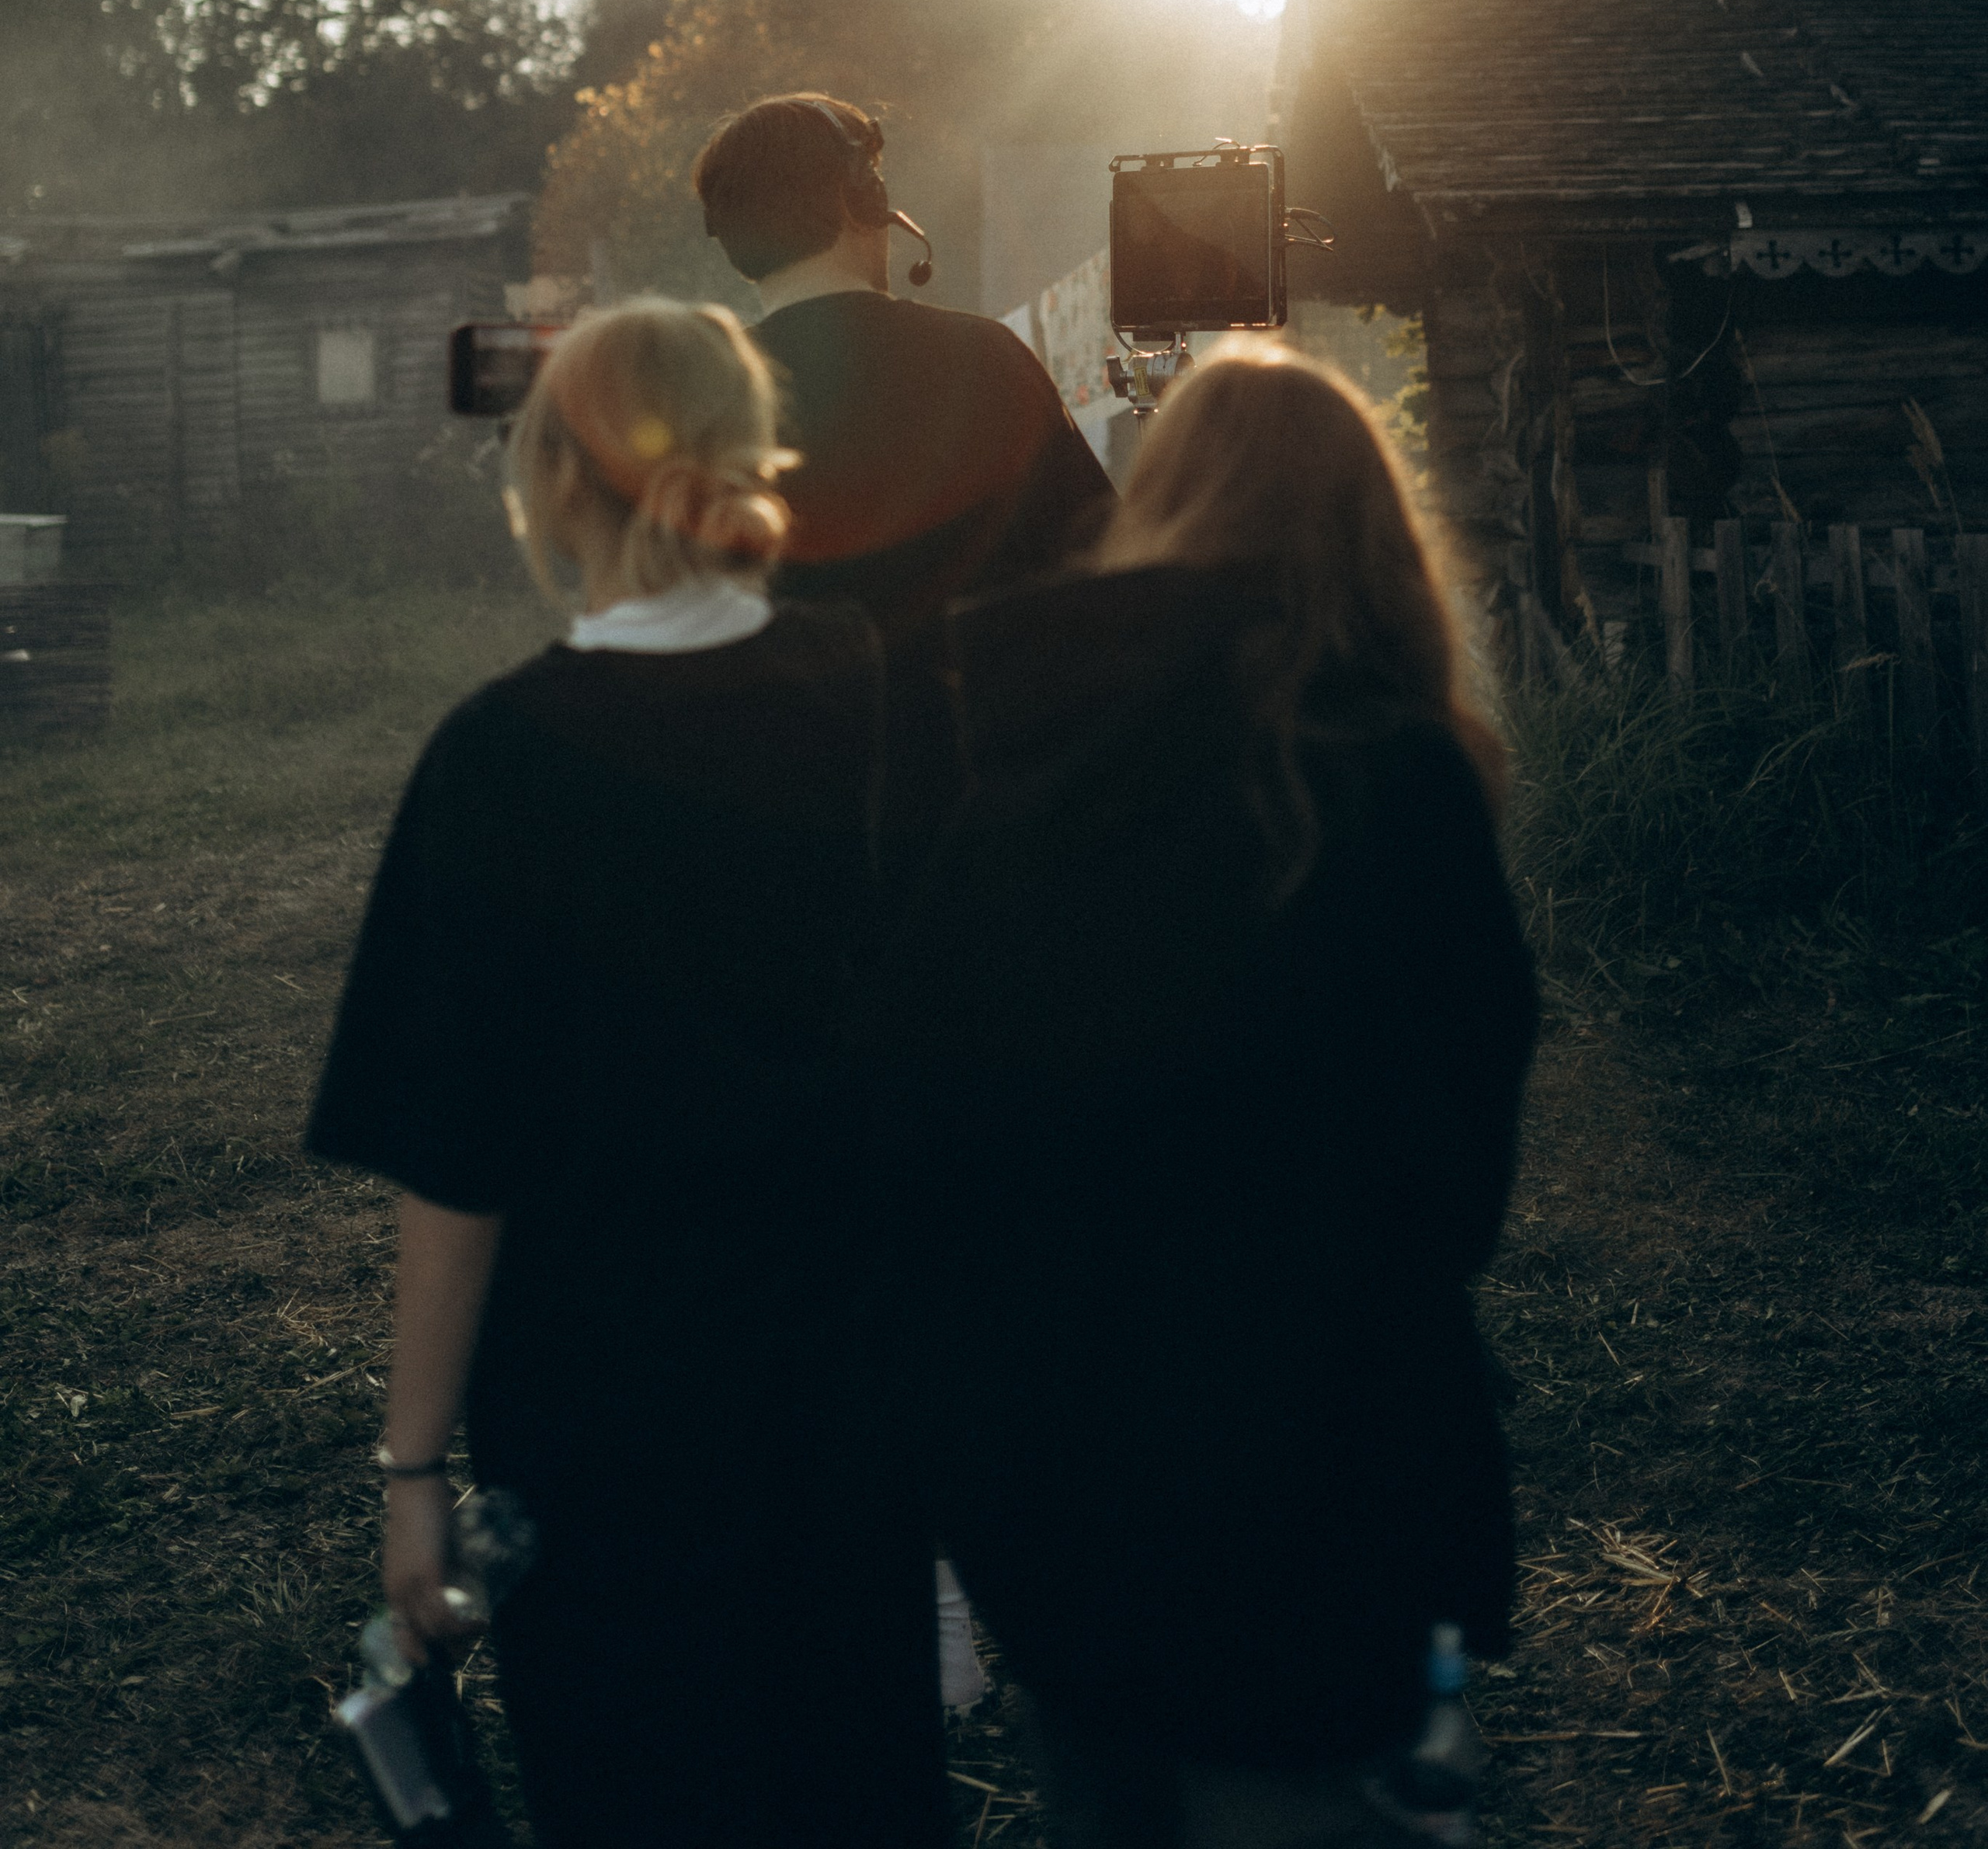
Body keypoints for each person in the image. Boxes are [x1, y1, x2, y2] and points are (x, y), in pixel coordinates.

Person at [875, 343, 1539, 1849]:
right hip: (1317, 1486)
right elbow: (1454, 1179)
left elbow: (915, 1122)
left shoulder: (1022, 767)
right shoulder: (1393, 785)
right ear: (1373, 541)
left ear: (1156, 513)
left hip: (1049, 1492)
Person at [306, 301, 951, 1849]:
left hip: (600, 1437)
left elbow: (455, 1165)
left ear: (554, 485)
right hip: (854, 1408)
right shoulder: (881, 703)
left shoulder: (499, 764)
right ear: (743, 463)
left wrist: (410, 1473)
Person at [691, 93, 1114, 651]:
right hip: (976, 721)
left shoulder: (702, 394)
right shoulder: (985, 356)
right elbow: (1100, 552)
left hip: (792, 730)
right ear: (862, 198)